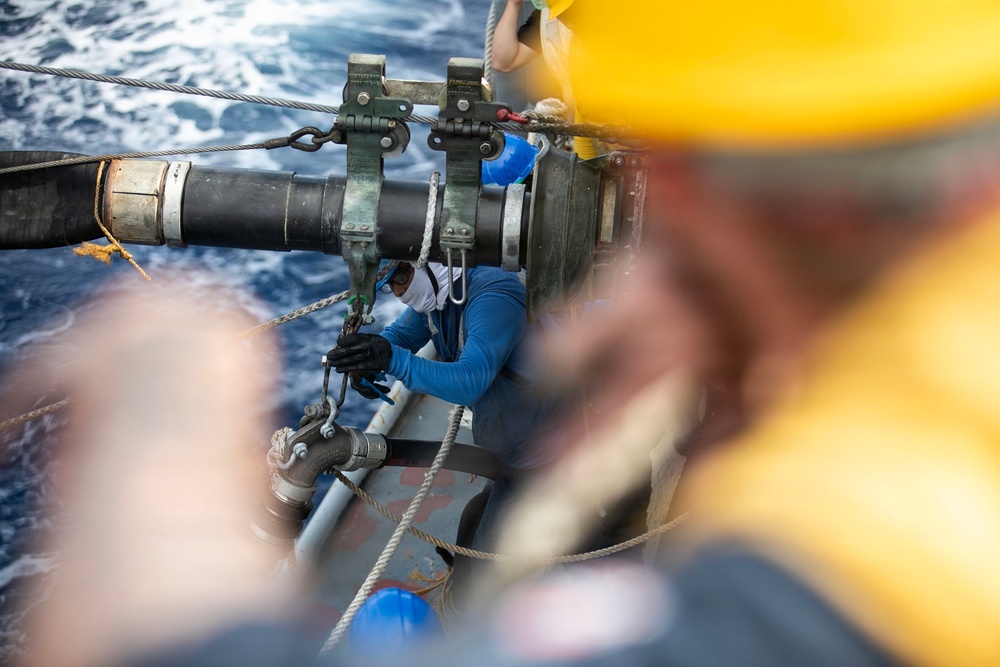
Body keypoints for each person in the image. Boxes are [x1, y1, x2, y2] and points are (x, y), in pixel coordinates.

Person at [325, 260, 563, 557]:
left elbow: (470, 381)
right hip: (515, 446)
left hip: (552, 455)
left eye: (402, 276)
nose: (399, 292)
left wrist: (390, 360)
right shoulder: (441, 294)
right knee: (474, 528)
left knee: (486, 566)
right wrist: (368, 359)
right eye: (391, 284)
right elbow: (400, 337)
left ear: (435, 260)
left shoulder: (494, 297)